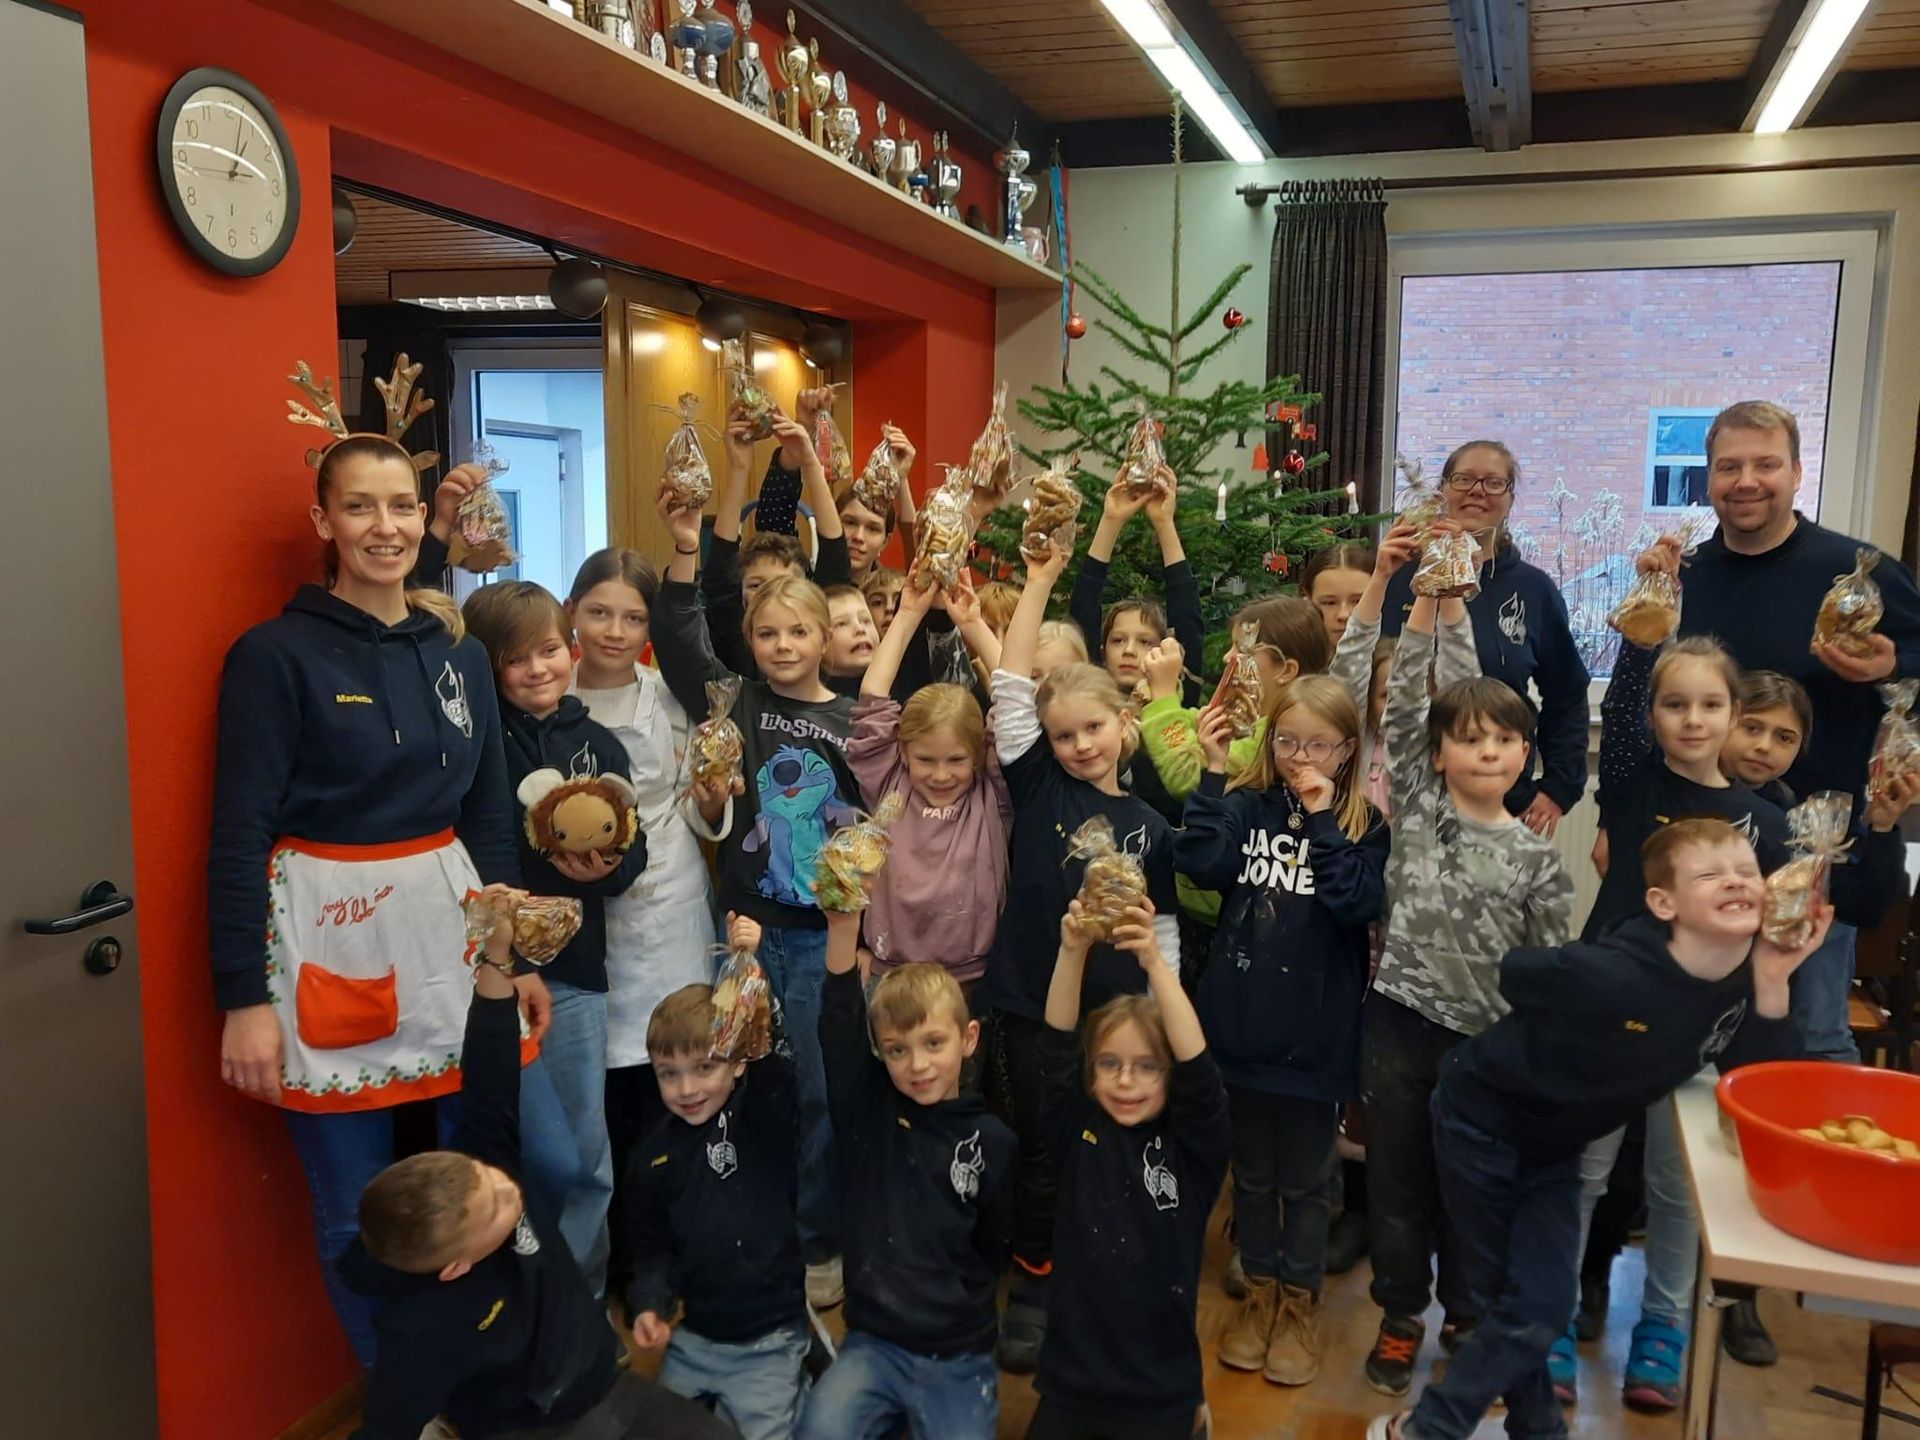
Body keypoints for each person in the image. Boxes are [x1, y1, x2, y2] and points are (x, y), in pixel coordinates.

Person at [210, 422, 577, 1364]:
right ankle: (404, 1397)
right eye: (360, 507)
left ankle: (500, 1368)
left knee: (537, 1162)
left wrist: (513, 957)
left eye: (402, 506)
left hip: (455, 938)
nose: (386, 526)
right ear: (323, 522)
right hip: (329, 944)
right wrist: (242, 1000)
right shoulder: (273, 656)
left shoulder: (458, 653)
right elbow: (239, 831)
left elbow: (488, 814)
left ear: (425, 518)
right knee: (356, 1206)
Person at [1367, 819, 1827, 1440]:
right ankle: (1429, 1428)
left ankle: (1528, 1429)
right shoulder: (1614, 971)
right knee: (1524, 1306)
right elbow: (1519, 971)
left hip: (1556, 1147)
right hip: (1481, 1125)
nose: (1736, 881)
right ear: (1663, 903)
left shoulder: (1747, 977)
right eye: (1710, 874)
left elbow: (1761, 1083)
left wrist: (1774, 976)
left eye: (1747, 871)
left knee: (1534, 1306)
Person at [340, 885, 731, 1440]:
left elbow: (490, 1069)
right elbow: (385, 1427)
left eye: (487, 1179)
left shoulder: (486, 1169)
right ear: (456, 1267)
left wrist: (498, 955)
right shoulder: (419, 1333)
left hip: (603, 1384)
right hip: (532, 1426)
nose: (510, 1188)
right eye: (497, 1208)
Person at [652, 467, 860, 1313]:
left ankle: (818, 1239)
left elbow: (874, 835)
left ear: (825, 638)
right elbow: (677, 639)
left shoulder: (856, 721)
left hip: (817, 941)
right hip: (742, 928)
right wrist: (686, 545)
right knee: (740, 1076)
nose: (781, 645)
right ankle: (746, 1223)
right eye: (766, 631)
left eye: (797, 631)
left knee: (817, 1089)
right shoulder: (733, 701)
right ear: (750, 636)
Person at [1362, 575, 1575, 1398]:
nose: (1488, 752)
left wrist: (1533, 1058)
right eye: (1471, 740)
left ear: (1526, 753)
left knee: (1470, 1190)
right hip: (1398, 1025)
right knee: (1396, 1181)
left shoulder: (1538, 860)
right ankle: (1399, 1312)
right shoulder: (1421, 810)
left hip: (1484, 1046)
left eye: (1505, 740)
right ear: (1439, 755)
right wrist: (1426, 606)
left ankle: (1466, 1313)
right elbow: (1410, 709)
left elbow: (1548, 973)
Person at [984, 539, 1183, 1374]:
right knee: (1042, 1145)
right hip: (1035, 1007)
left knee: (1109, 1149)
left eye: (1093, 728)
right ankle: (1033, 1280)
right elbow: (1009, 686)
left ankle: (1102, 1271)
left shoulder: (1152, 826)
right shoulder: (1039, 784)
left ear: (1124, 724)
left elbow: (1162, 930)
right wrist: (1038, 580)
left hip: (1119, 1018)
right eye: (1063, 735)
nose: (1079, 745)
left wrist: (1164, 1011)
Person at [1670, 398, 1920, 1060]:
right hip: (1702, 847)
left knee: (1810, 1038)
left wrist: (1893, 664)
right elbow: (1654, 696)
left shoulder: (1857, 574)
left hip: (1816, 856)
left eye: (1766, 464)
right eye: (1729, 467)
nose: (1746, 481)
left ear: (1797, 472)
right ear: (1709, 477)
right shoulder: (1686, 577)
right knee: (1691, 1037)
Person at [1176, 677, 1388, 1388]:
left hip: (1315, 1042)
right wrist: (1213, 770)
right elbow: (1201, 864)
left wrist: (1323, 819)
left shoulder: (1364, 826)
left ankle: (1298, 1306)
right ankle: (1259, 1296)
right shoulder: (1248, 806)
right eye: (1288, 741)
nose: (1300, 757)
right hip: (1240, 1030)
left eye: (1318, 746)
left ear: (1347, 751)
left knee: (1305, 1183)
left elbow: (1354, 901)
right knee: (1253, 1177)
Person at [463, 580, 654, 1294]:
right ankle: (522, 1299)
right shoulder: (477, 743)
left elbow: (633, 848)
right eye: (515, 659)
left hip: (574, 975)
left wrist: (608, 867)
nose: (537, 669)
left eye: (547, 650)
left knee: (583, 1154)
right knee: (523, 1151)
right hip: (485, 980)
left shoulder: (598, 743)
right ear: (488, 667)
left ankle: (583, 1303)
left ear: (568, 647)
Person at [563, 547, 723, 1303]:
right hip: (584, 922)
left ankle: (676, 1256)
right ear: (572, 613)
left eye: (632, 617)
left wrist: (716, 800)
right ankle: (619, 1263)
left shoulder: (670, 698)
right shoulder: (547, 694)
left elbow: (700, 806)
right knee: (605, 1101)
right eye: (599, 612)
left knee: (677, 1080)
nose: (615, 631)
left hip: (667, 907)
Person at [798, 909, 1016, 1440]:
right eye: (897, 1050)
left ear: (968, 1038)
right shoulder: (866, 1112)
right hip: (874, 1344)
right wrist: (842, 930)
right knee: (819, 1432)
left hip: (958, 1355)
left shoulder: (993, 1143)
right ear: (880, 1051)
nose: (917, 1065)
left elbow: (995, 1250)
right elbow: (838, 1026)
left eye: (933, 1043)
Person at [1026, 898, 1231, 1439]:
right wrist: (1072, 951)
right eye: (1110, 1064)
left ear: (1169, 1075)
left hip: (1159, 1391)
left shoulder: (1192, 1153)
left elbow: (1199, 1071)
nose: (1125, 1080)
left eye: (1146, 1067)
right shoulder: (1076, 1130)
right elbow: (1055, 1049)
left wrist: (1155, 964)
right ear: (1091, 1073)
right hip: (1071, 1381)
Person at [625, 916, 808, 1440]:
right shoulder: (651, 1155)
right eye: (669, 1074)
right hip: (696, 1339)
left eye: (704, 1068)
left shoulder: (761, 1119)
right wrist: (648, 1305)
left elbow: (776, 1071)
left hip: (770, 1339)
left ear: (738, 1064)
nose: (687, 1089)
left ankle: (805, 1375)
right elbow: (651, 1250)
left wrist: (751, 980)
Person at [1378, 440, 1590, 837]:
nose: (1477, 491)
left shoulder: (1534, 590)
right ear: (1441, 490)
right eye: (1463, 479)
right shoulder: (1397, 578)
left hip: (1497, 801)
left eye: (1494, 483)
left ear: (1510, 500)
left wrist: (1559, 787)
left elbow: (1567, 693)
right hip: (1394, 798)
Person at [846, 570, 1011, 991]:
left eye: (956, 760)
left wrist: (973, 624)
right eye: (925, 760)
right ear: (902, 751)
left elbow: (1016, 705)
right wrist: (906, 616)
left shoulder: (992, 793)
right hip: (889, 974)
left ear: (980, 755)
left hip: (972, 980)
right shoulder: (889, 783)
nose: (940, 774)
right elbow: (872, 701)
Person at [1070, 468, 1208, 822]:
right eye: (1118, 640)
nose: (1130, 650)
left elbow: (1188, 619)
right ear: (1102, 650)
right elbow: (1082, 613)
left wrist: (1164, 523)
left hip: (1166, 839)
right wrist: (1110, 521)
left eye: (1145, 641)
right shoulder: (1090, 697)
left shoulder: (1174, 699)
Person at [703, 401, 853, 680]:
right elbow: (718, 579)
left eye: (784, 583)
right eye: (756, 585)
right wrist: (739, 468)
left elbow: (834, 559)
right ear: (741, 593)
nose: (771, 594)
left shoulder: (821, 644)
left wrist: (810, 461)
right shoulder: (732, 639)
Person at [1302, 542, 1375, 649]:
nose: (1344, 615)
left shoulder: (1393, 657)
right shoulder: (1284, 657)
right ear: (1307, 601)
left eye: (1358, 602)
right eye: (1330, 603)